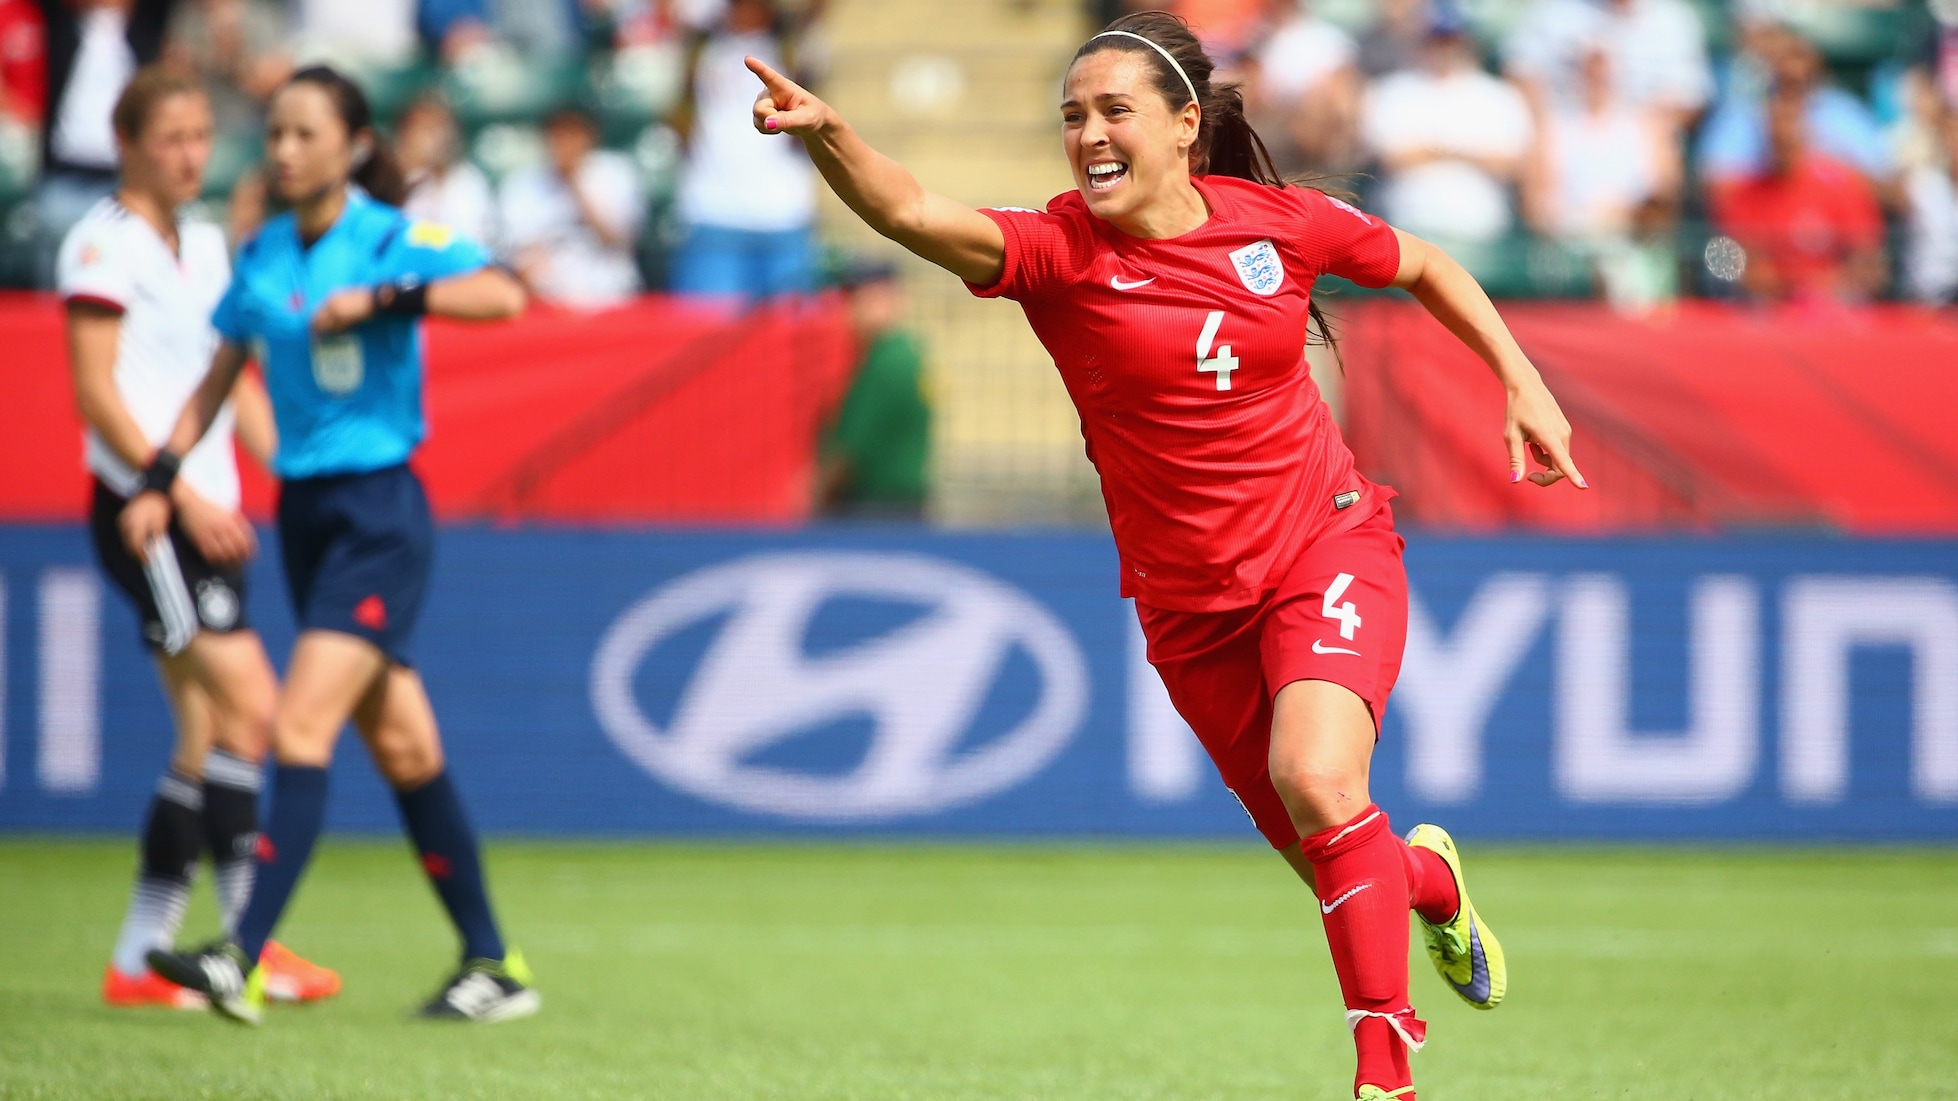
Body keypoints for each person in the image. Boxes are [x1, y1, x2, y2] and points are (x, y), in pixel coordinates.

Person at [746, 10, 1586, 1099]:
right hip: (1190, 614)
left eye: (1111, 111)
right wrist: (829, 135)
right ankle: (1428, 882)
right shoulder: (1057, 253)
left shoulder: (1276, 225)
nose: (1087, 134)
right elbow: (906, 207)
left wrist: (1517, 379)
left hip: (1323, 544)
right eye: (1070, 117)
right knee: (1330, 854)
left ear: (1185, 125)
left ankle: (1385, 1074)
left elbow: (1421, 263)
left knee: (1316, 779)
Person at [133, 64, 537, 1025]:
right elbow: (220, 374)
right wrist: (160, 476)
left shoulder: (389, 238)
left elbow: (504, 295)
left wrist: (391, 300)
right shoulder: (264, 253)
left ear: (353, 147)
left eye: (304, 133)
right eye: (273, 133)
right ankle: (495, 963)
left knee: (300, 726)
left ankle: (241, 955)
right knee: (402, 746)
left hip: (379, 516)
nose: (282, 150)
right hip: (307, 518)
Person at [58, 64, 337, 1011]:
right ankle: (246, 942)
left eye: (198, 137)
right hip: (152, 516)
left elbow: (235, 383)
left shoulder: (210, 244)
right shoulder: (102, 247)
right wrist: (171, 492)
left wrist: (300, 475)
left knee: (206, 732)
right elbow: (97, 391)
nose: (187, 155)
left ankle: (141, 956)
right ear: (128, 141)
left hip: (205, 516)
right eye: (168, 137)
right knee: (253, 709)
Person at [671, 0, 819, 299]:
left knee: (787, 338)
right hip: (713, 212)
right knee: (708, 337)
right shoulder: (699, 50)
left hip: (784, 213)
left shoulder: (794, 47)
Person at [1361, 10, 1534, 245]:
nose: (1444, 48)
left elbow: (1509, 164)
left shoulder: (1497, 95)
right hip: (1408, 226)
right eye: (1436, 40)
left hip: (1481, 229)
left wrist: (1435, 149)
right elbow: (1394, 158)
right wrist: (1464, 151)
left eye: (1451, 40)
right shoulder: (1392, 92)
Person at [1711, 87, 1886, 304]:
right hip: (1766, 313)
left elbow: (1871, 263)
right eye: (1774, 122)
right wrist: (1754, 277)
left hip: (1833, 315)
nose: (1781, 132)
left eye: (1789, 121)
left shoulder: (1841, 186)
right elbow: (1721, 259)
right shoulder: (1743, 194)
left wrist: (1821, 287)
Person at [818, 257, 932, 519]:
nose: (846, 312)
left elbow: (847, 453)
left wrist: (815, 499)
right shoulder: (906, 352)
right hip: (902, 502)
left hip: (875, 506)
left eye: (854, 299)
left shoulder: (885, 361)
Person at [498, 104, 643, 308]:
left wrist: (574, 183)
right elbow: (517, 256)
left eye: (574, 134)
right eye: (558, 134)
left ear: (591, 137)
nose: (566, 143)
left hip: (611, 299)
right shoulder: (522, 185)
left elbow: (617, 239)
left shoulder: (616, 173)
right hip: (549, 303)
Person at [397, 92, 493, 247]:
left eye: (437, 128)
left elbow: (466, 242)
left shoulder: (466, 180)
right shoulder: (385, 179)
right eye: (422, 128)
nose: (431, 138)